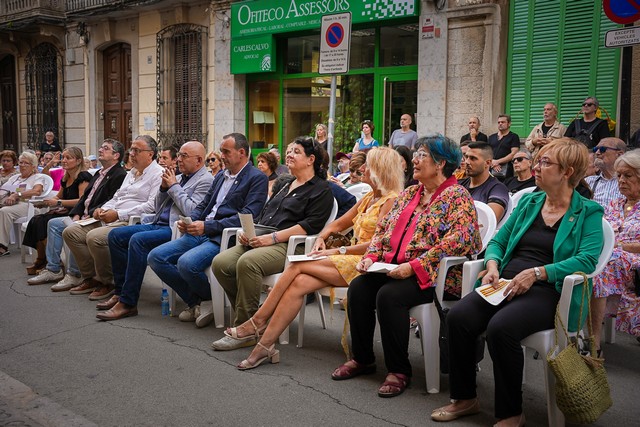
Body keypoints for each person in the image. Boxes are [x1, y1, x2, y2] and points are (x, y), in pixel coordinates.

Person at [431, 138, 603, 426]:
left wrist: (538, 273)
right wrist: (493, 264)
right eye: (538, 159)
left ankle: (512, 413)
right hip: (507, 280)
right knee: (458, 316)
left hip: (548, 290)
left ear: (567, 171)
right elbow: (498, 239)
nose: (537, 166)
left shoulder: (588, 212)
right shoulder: (530, 201)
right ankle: (465, 399)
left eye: (546, 162)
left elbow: (587, 260)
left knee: (501, 328)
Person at [331, 135, 482, 398]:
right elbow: (383, 230)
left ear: (440, 163)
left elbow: (463, 240)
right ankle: (363, 359)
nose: (415, 159)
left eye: (422, 155)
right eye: (416, 154)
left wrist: (415, 266)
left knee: (389, 296)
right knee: (359, 287)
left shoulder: (456, 195)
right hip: (392, 268)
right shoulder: (411, 193)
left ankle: (399, 370)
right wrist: (372, 255)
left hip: (433, 275)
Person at [226, 147, 404, 368]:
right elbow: (339, 223)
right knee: (298, 283)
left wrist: (335, 251)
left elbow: (379, 244)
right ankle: (264, 346)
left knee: (295, 266)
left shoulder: (392, 200)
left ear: (380, 170)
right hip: (349, 259)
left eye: (368, 165)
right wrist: (322, 237)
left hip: (367, 262)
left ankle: (257, 322)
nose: (361, 168)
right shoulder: (370, 197)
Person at [211, 137, 334, 350]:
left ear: (310, 159)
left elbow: (310, 225)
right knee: (221, 263)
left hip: (291, 245)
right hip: (264, 237)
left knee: (247, 263)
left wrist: (273, 238)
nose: (289, 154)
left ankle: (245, 328)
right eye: (288, 150)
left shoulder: (321, 189)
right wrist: (249, 232)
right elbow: (266, 214)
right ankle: (253, 316)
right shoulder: (285, 183)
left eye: (296, 151)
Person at [147, 133, 267, 327]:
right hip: (200, 231)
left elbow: (247, 216)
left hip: (221, 236)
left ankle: (205, 300)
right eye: (221, 151)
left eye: (226, 152)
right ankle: (200, 300)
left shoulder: (256, 178)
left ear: (242, 153)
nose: (221, 156)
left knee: (186, 263)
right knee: (156, 257)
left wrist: (206, 226)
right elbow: (203, 205)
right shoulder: (220, 175)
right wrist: (190, 220)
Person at [96, 141, 214, 321]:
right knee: (116, 236)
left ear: (198, 160)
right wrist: (163, 188)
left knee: (138, 240)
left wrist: (173, 187)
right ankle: (121, 292)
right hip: (157, 222)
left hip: (175, 229)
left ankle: (128, 302)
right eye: (179, 155)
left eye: (183, 156)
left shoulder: (206, 180)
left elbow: (192, 211)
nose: (178, 160)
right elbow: (157, 207)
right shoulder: (181, 177)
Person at [62, 135, 163, 300]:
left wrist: (118, 214)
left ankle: (108, 281)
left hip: (130, 220)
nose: (131, 153)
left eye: (136, 150)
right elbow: (117, 197)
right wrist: (103, 209)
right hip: (111, 216)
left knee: (95, 237)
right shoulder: (131, 173)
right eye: (131, 149)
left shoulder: (158, 174)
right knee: (71, 232)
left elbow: (152, 206)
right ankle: (91, 277)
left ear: (150, 154)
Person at [28, 139, 127, 289]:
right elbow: (85, 199)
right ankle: (53, 268)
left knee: (71, 230)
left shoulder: (118, 175)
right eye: (101, 147)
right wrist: (76, 214)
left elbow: (111, 200)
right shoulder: (100, 173)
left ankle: (75, 274)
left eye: (105, 148)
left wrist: (88, 214)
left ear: (116, 155)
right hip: (83, 216)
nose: (100, 150)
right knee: (52, 223)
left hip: (97, 217)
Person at [590, 149, 640, 353]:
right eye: (619, 175)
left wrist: (619, 247)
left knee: (602, 266)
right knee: (595, 263)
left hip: (633, 259)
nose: (621, 180)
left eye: (628, 175)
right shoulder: (614, 205)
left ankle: (592, 341)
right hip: (613, 260)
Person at [22, 147, 91, 275]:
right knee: (36, 220)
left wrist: (58, 203)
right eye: (63, 157)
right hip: (65, 210)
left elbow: (82, 201)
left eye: (68, 158)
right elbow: (59, 195)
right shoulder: (66, 178)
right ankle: (42, 259)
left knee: (44, 222)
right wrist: (47, 201)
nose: (64, 160)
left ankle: (49, 262)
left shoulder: (83, 176)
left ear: (78, 161)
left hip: (76, 213)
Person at [0, 152, 47, 256]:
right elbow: (3, 190)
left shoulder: (38, 177)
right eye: (21, 162)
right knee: (4, 209)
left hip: (29, 205)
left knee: (4, 211)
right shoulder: (15, 178)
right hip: (12, 204)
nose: (22, 165)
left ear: (33, 166)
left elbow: (37, 191)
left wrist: (17, 195)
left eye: (26, 163)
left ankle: (2, 246)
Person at [459, 142, 510, 222]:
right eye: (466, 157)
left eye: (473, 158)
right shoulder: (458, 185)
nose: (467, 162)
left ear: (488, 163)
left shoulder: (498, 189)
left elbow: (488, 221)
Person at [585, 137, 626, 208]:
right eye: (595, 149)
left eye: (602, 149)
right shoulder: (588, 182)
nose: (597, 153)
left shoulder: (628, 183)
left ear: (619, 154)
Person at [487, 114, 520, 180]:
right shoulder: (491, 137)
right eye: (499, 122)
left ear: (509, 124)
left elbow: (514, 154)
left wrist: (497, 162)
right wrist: (493, 163)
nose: (500, 124)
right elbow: (487, 152)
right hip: (491, 169)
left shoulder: (514, 137)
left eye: (503, 122)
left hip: (506, 171)